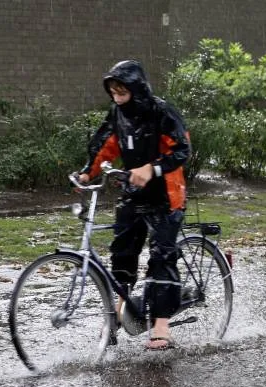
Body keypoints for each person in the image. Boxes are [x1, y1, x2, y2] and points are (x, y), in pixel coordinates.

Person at [78, 60, 191, 350]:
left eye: (122, 91)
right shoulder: (117, 114)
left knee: (161, 256)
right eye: (113, 92)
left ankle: (162, 327)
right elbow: (106, 144)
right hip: (134, 193)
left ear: (136, 89)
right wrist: (87, 172)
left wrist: (150, 169)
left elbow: (181, 150)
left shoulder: (162, 112)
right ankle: (117, 313)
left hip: (166, 195)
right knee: (123, 251)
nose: (117, 97)